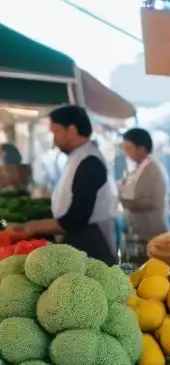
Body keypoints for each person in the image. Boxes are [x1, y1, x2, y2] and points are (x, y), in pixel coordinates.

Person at [11, 105, 119, 263]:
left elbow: (76, 217)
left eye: (56, 132)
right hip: (81, 239)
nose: (54, 139)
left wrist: (32, 227)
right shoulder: (78, 157)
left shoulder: (90, 162)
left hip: (93, 242)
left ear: (72, 129)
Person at [119, 128, 169, 249]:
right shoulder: (136, 167)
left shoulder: (152, 169)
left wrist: (124, 201)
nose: (126, 153)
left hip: (151, 231)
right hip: (138, 232)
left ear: (141, 148)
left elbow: (150, 201)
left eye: (129, 149)